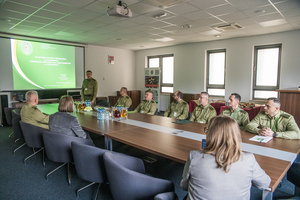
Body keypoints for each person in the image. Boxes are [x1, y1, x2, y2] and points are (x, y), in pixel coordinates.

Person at [181, 115, 271, 200]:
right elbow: (265, 183)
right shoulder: (248, 159)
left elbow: (184, 186)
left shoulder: (194, 156)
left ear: (211, 134)